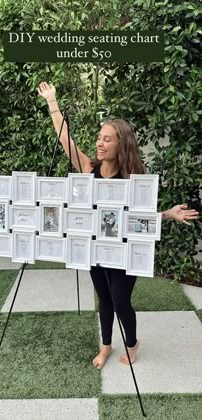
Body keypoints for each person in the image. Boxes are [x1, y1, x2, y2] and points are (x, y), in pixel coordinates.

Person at [37, 81, 199, 369]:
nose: (100, 143)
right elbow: (66, 141)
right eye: (99, 138)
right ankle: (106, 346)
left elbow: (138, 219)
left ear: (121, 144)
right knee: (104, 299)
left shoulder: (132, 179)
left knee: (121, 300)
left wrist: (168, 213)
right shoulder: (89, 169)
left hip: (122, 250)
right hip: (95, 248)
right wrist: (53, 103)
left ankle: (133, 342)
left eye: (107, 139)